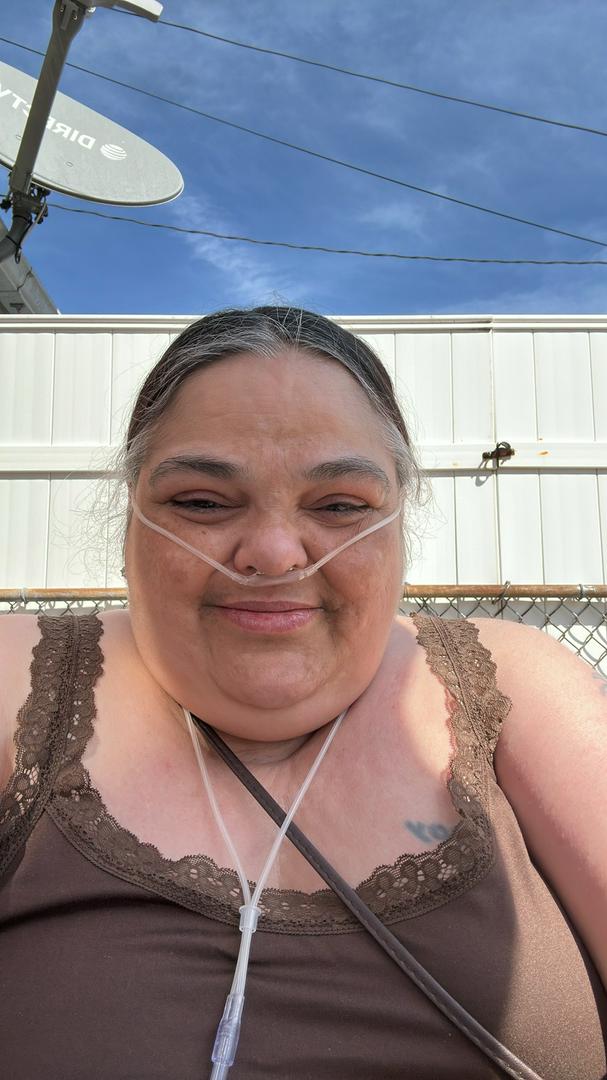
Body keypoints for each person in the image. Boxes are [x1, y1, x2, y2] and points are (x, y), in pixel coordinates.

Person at [0, 306, 605, 1080]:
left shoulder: (515, 687)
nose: (275, 553)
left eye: (339, 506)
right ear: (130, 524)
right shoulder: (22, 681)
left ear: (398, 527)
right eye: (201, 502)